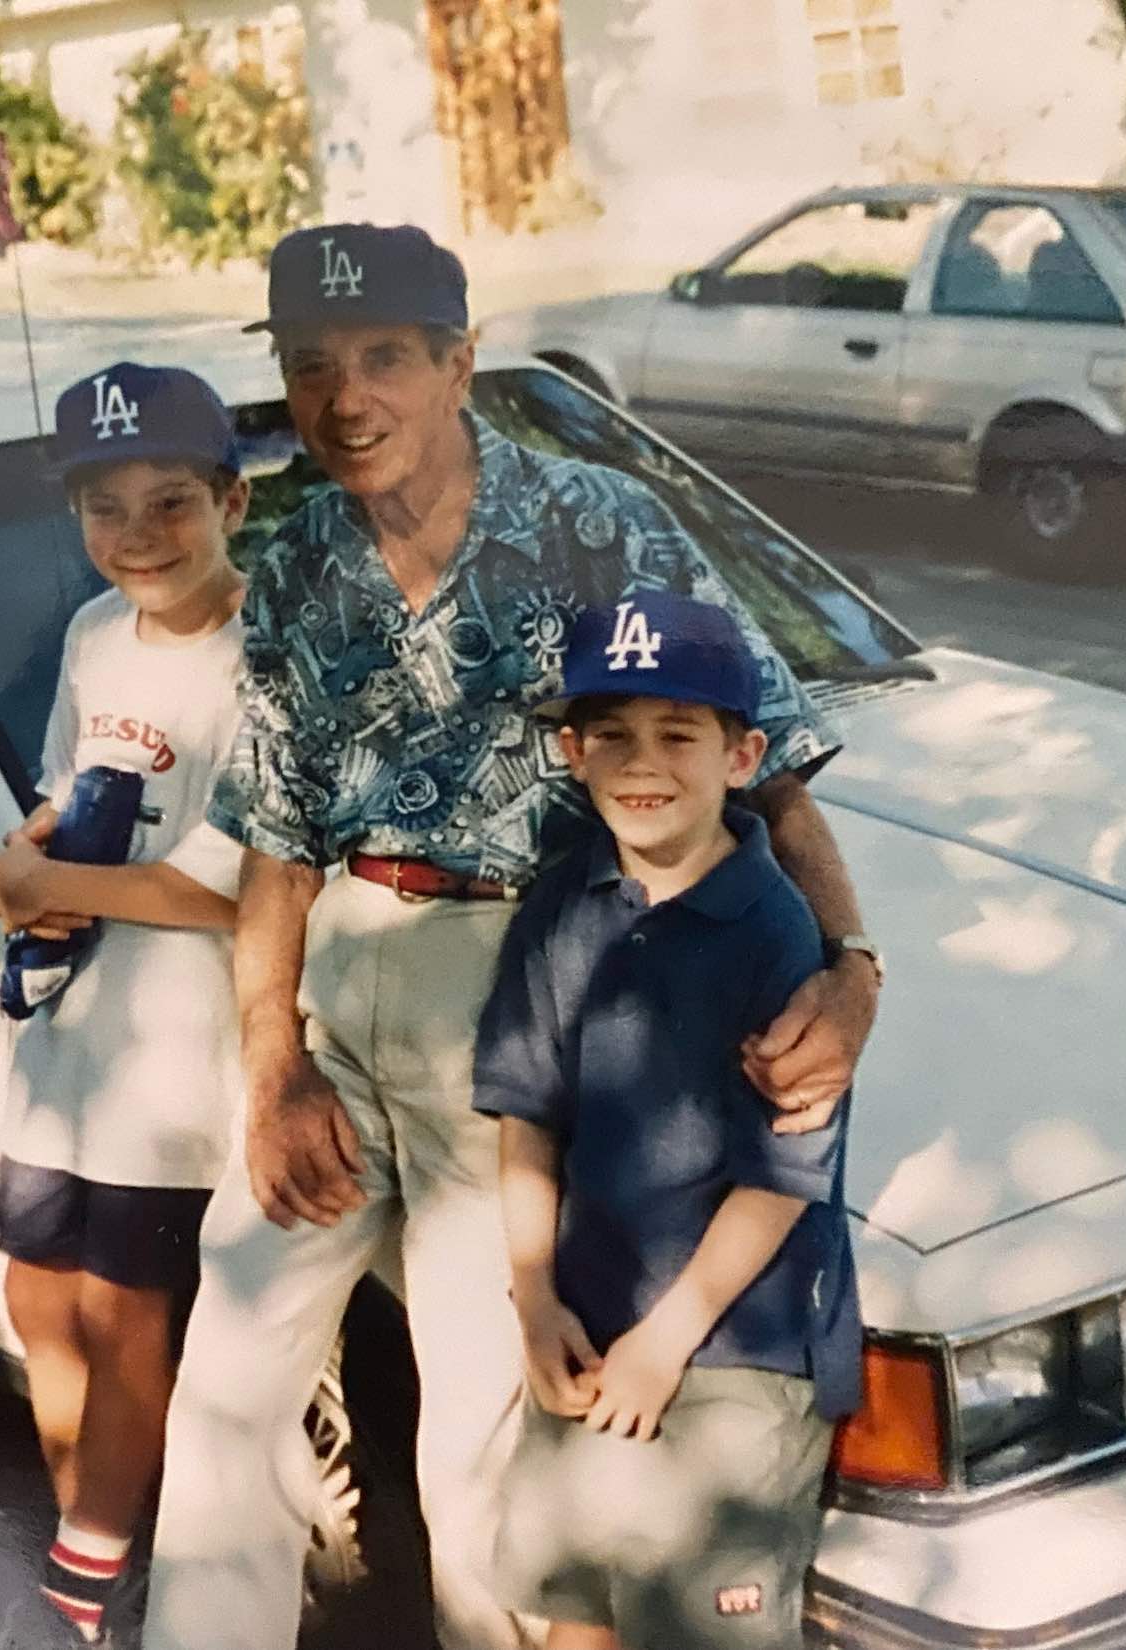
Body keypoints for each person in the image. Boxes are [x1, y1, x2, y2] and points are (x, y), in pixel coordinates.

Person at [143, 222, 881, 1650]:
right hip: (343, 976)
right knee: (226, 1379)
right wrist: (271, 1061)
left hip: (522, 999)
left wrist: (852, 971)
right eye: (311, 368)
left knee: (481, 1432)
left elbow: (769, 768)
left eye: (385, 360)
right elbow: (277, 843)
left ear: (460, 362)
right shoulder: (295, 563)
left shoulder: (599, 524)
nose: (346, 399)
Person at [478, 591, 861, 1650]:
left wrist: (668, 1339)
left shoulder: (776, 934)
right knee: (577, 1611)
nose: (642, 764)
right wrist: (535, 1297)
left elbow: (782, 1175)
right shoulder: (562, 904)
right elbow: (527, 1114)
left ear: (742, 757)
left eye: (678, 735)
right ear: (572, 751)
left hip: (731, 1343)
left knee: (692, 1632)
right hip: (593, 1321)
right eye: (614, 736)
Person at [0, 361, 253, 1648]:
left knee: (124, 1313)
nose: (138, 537)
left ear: (235, 504)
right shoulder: (96, 635)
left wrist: (49, 876)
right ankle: (96, 1542)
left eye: (172, 503)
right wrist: (18, 856)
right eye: (106, 508)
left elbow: (220, 892)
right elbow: (61, 782)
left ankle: (80, 1593)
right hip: (73, 1028)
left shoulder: (263, 662)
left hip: (181, 1050)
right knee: (36, 1290)